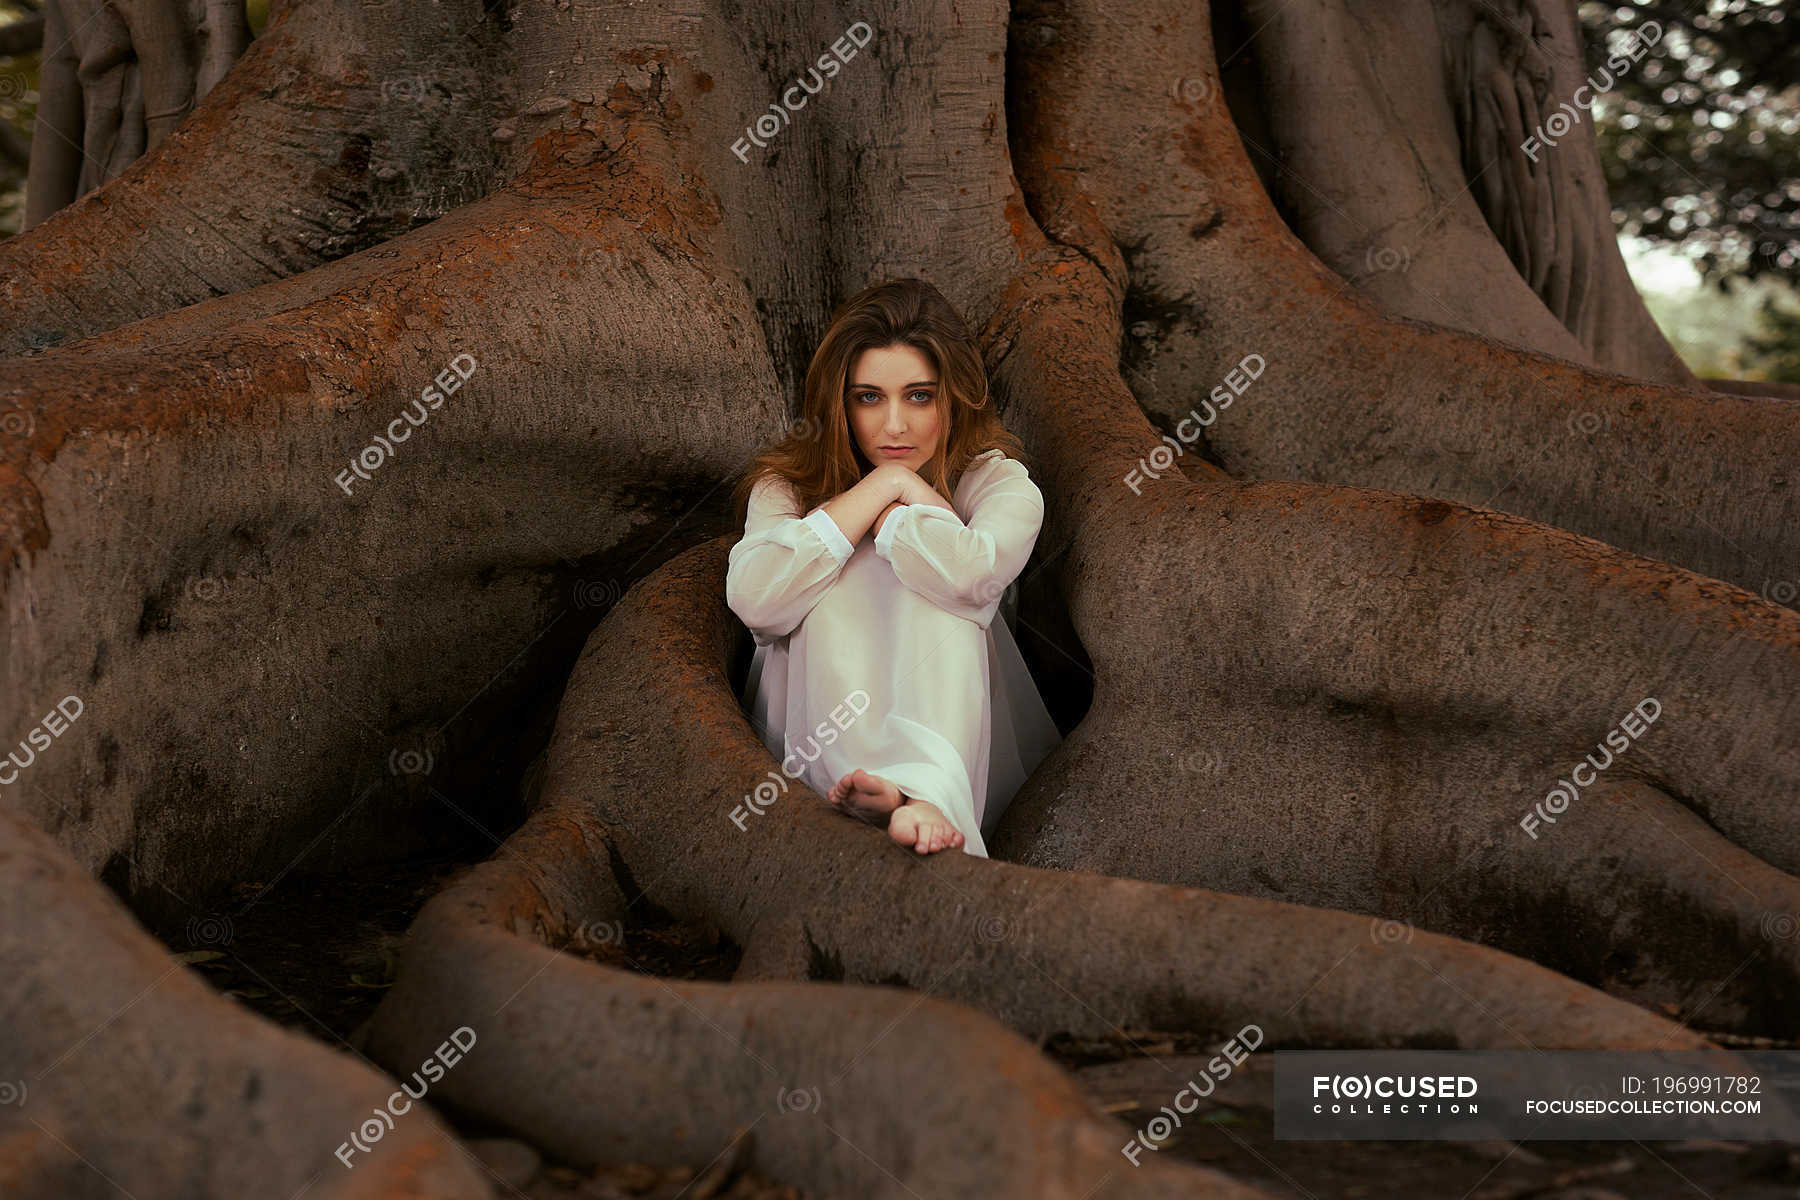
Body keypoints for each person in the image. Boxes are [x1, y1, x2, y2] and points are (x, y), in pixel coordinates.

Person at [724, 278, 1062, 856]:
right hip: (811, 722)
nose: (895, 427)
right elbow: (758, 601)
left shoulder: (996, 481)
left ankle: (919, 793)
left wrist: (900, 510)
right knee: (836, 580)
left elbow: (970, 577)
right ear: (840, 403)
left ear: (954, 398)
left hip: (951, 718)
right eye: (870, 397)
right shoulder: (785, 487)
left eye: (919, 396)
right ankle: (877, 789)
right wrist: (887, 485)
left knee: (930, 582)